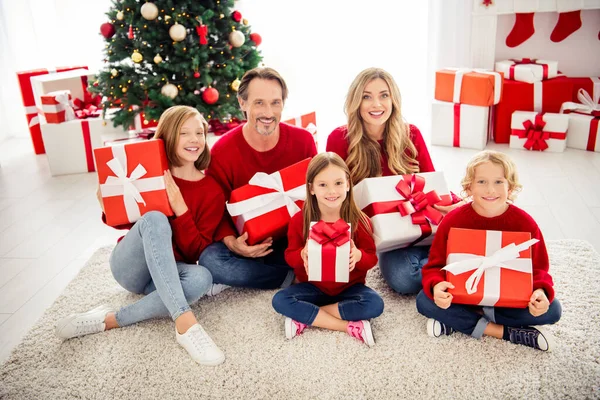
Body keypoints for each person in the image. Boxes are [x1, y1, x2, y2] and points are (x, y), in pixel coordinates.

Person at [55, 106, 227, 366]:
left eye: (200, 133)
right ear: (168, 137)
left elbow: (196, 253)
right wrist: (108, 207)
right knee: (155, 218)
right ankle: (185, 323)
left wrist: (181, 209)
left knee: (202, 277)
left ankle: (109, 319)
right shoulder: (147, 175)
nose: (195, 140)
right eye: (184, 133)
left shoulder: (211, 190)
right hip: (131, 269)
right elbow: (133, 227)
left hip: (169, 272)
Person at [326, 67, 463, 295]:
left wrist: (450, 206)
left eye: (384, 95)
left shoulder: (411, 135)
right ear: (356, 102)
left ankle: (442, 268)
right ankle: (451, 272)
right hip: (387, 237)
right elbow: (332, 196)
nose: (376, 104)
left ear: (394, 100)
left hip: (425, 225)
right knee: (403, 278)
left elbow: (431, 182)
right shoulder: (340, 139)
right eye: (366, 97)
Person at [416, 150, 562, 351]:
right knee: (425, 300)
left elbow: (539, 269)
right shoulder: (453, 220)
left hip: (506, 299)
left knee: (552, 310)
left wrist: (540, 292)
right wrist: (437, 286)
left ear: (510, 187)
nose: (490, 190)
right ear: (469, 188)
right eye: (482, 182)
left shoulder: (524, 222)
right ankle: (507, 332)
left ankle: (458, 323)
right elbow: (435, 266)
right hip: (463, 296)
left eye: (499, 182)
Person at [199, 67, 317, 292]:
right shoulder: (223, 150)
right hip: (246, 238)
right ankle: (289, 278)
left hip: (292, 238)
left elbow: (319, 194)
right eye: (259, 103)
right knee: (210, 261)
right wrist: (233, 243)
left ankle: (276, 272)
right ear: (242, 103)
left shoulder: (303, 141)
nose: (268, 112)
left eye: (275, 102)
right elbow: (215, 210)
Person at [272, 152, 383, 347]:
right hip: (313, 287)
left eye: (338, 183)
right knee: (280, 300)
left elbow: (372, 258)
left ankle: (307, 315)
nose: (332, 191)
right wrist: (302, 255)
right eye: (323, 185)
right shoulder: (300, 220)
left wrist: (358, 256)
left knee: (375, 304)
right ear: (311, 188)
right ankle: (347, 326)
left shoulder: (361, 221)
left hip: (350, 287)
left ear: (348, 184)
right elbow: (289, 257)